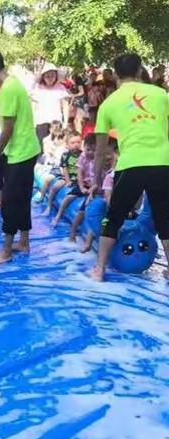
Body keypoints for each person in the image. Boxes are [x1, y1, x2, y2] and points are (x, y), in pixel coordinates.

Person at [91, 53, 169, 282]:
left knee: (114, 217)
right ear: (139, 71)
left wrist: (96, 180)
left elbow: (100, 150)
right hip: (162, 162)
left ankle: (99, 270)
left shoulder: (109, 103)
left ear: (115, 74)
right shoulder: (161, 94)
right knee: (165, 218)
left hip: (131, 164)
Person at [0, 49, 41, 264]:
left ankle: (6, 250)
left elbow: (8, 129)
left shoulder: (8, 89)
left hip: (20, 152)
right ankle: (23, 241)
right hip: (26, 150)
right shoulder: (13, 84)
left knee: (12, 201)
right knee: (22, 198)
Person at [51, 133, 96, 226]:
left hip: (94, 185)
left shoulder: (97, 158)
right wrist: (82, 188)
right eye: (88, 149)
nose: (91, 152)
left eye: (94, 150)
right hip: (82, 183)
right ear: (84, 146)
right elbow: (79, 174)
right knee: (68, 198)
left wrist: (93, 188)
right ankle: (58, 217)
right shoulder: (82, 157)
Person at [43, 131, 82, 216]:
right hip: (66, 177)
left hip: (79, 178)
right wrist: (67, 181)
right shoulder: (65, 155)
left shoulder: (83, 155)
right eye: (73, 143)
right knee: (55, 187)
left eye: (78, 142)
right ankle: (48, 206)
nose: (76, 144)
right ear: (67, 144)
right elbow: (65, 169)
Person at [32, 63, 68, 143]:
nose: (50, 78)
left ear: (56, 76)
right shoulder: (37, 88)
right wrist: (33, 122)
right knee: (41, 146)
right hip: (41, 121)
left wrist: (65, 121)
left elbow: (65, 105)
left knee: (57, 145)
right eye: (47, 76)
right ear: (43, 77)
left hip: (56, 122)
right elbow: (34, 105)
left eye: (52, 75)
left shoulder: (61, 88)